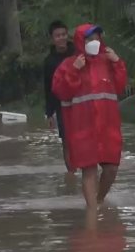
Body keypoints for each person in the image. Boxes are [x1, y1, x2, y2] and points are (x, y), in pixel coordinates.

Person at [52, 23, 127, 208]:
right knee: (89, 171)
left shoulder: (108, 62)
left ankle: (99, 199)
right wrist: (74, 70)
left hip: (108, 127)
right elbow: (61, 91)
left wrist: (117, 62)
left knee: (111, 169)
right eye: (89, 38)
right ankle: (92, 212)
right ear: (80, 41)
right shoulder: (68, 64)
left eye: (96, 38)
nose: (94, 41)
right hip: (83, 127)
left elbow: (120, 87)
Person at [43, 20, 76, 174]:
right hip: (62, 105)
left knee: (85, 139)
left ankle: (88, 172)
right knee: (67, 142)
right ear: (52, 39)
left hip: (81, 103)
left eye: (64, 34)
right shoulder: (49, 62)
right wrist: (49, 113)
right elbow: (48, 88)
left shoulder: (78, 54)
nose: (61, 38)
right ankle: (71, 175)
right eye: (58, 36)